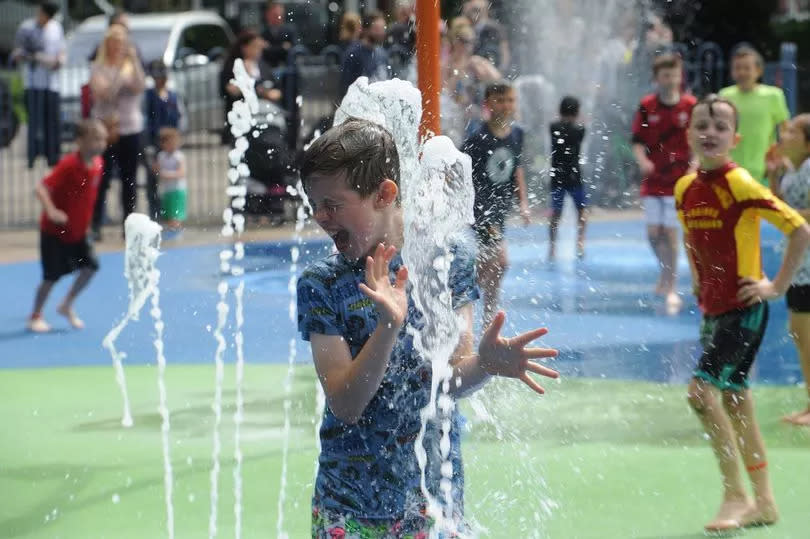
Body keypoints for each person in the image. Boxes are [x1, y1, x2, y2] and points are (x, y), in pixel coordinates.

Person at [297, 117, 559, 536]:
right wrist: (387, 326)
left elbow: (449, 382)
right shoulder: (321, 284)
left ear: (384, 194)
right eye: (315, 203)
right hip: (350, 508)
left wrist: (486, 365)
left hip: (433, 500)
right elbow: (346, 405)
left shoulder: (447, 259)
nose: (320, 216)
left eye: (333, 203)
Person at [675, 95, 810, 532]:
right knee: (735, 402)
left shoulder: (741, 184)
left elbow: (800, 229)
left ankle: (735, 496)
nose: (709, 133)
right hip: (713, 311)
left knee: (701, 394)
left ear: (735, 138)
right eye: (701, 125)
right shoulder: (684, 188)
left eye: (719, 127)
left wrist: (776, 286)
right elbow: (691, 236)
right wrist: (697, 279)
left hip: (744, 309)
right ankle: (765, 502)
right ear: (689, 133)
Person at [28, 119, 108, 333]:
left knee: (90, 267)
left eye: (103, 139)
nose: (101, 144)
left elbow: (88, 198)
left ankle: (66, 304)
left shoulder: (98, 164)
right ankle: (35, 314)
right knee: (50, 277)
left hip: (78, 232)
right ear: (80, 141)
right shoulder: (69, 165)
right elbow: (40, 188)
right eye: (95, 139)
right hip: (54, 232)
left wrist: (88, 224)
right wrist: (52, 211)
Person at [632, 53, 696, 310]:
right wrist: (642, 161)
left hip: (679, 180)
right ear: (656, 78)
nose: (670, 79)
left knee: (670, 232)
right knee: (652, 233)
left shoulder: (690, 105)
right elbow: (636, 140)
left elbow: (700, 140)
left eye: (674, 74)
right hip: (653, 178)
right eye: (665, 74)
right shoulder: (647, 105)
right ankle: (664, 271)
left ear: (681, 76)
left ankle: (671, 284)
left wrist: (696, 164)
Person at [463, 81, 529, 326]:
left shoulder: (517, 134)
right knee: (501, 262)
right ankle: (471, 306)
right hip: (481, 208)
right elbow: (460, 169)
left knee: (491, 267)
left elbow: (517, 168)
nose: (505, 105)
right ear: (488, 104)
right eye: (499, 100)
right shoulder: (478, 137)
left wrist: (523, 203)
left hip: (500, 209)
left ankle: (475, 305)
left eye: (510, 100)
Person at [767, 113, 810, 426]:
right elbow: (778, 205)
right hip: (799, 264)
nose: (785, 133)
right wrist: (772, 177)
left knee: (806, 334)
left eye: (793, 130)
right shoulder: (794, 171)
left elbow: (787, 213)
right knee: (799, 333)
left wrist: (787, 214)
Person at [89, 24, 146, 241]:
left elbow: (140, 86)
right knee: (101, 178)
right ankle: (95, 224)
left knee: (128, 179)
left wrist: (134, 62)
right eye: (114, 43)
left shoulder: (131, 66)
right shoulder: (99, 67)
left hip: (129, 127)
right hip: (105, 129)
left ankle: (128, 223)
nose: (117, 47)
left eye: (121, 43)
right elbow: (104, 93)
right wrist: (120, 76)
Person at [719, 44, 790, 186]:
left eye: (747, 68)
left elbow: (784, 129)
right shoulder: (724, 95)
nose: (742, 72)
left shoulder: (773, 95)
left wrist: (782, 156)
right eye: (737, 68)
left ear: (758, 71)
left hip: (763, 170)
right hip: (730, 168)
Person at [10, 1, 65, 169]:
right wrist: (35, 57)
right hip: (33, 82)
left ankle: (52, 157)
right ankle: (32, 157)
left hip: (52, 83)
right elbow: (18, 52)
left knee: (52, 122)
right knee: (34, 122)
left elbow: (61, 49)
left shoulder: (56, 27)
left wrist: (59, 61)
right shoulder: (27, 27)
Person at [441, 18, 500, 147]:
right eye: (464, 41)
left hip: (476, 116)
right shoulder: (447, 65)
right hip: (455, 118)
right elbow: (444, 94)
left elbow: (498, 80)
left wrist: (483, 73)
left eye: (471, 42)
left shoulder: (476, 62)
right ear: (455, 41)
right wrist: (458, 72)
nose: (468, 46)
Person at [220, 29, 281, 145]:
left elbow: (277, 91)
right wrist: (247, 78)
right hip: (243, 119)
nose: (259, 50)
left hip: (265, 117)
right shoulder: (233, 66)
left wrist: (269, 93)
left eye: (260, 47)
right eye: (255, 46)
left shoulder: (263, 66)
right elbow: (231, 91)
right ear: (244, 47)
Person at [144, 60, 184, 221]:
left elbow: (180, 118)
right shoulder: (148, 96)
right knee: (154, 179)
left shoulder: (173, 95)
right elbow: (145, 120)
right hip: (155, 143)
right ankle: (155, 211)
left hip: (171, 143)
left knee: (172, 179)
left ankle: (170, 212)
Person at [548, 96, 587, 261]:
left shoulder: (553, 127)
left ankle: (552, 248)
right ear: (577, 111)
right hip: (574, 175)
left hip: (557, 175)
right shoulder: (580, 129)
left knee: (555, 213)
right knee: (582, 210)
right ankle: (580, 242)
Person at [339, 11, 389, 98]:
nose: (381, 33)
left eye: (383, 28)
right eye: (377, 29)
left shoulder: (382, 53)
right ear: (366, 30)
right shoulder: (354, 53)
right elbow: (346, 86)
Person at [154, 127, 187, 239]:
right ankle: (172, 233)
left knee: (176, 213)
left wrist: (167, 174)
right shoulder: (161, 156)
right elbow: (157, 170)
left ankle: (177, 233)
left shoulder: (179, 156)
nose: (173, 145)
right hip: (167, 190)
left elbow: (182, 172)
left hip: (177, 189)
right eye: (169, 142)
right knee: (168, 213)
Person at [461, 0, 510, 74]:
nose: (473, 14)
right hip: (474, 73)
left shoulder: (494, 29)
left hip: (491, 71)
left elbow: (504, 51)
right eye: (471, 10)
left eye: (476, 10)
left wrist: (501, 71)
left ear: (485, 11)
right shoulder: (467, 29)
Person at [261, 1, 298, 68]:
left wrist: (270, 48)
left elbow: (293, 49)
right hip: (268, 67)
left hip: (287, 68)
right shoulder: (263, 32)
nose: (279, 18)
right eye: (275, 15)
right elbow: (264, 51)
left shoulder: (290, 31)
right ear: (268, 15)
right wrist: (282, 48)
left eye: (281, 15)